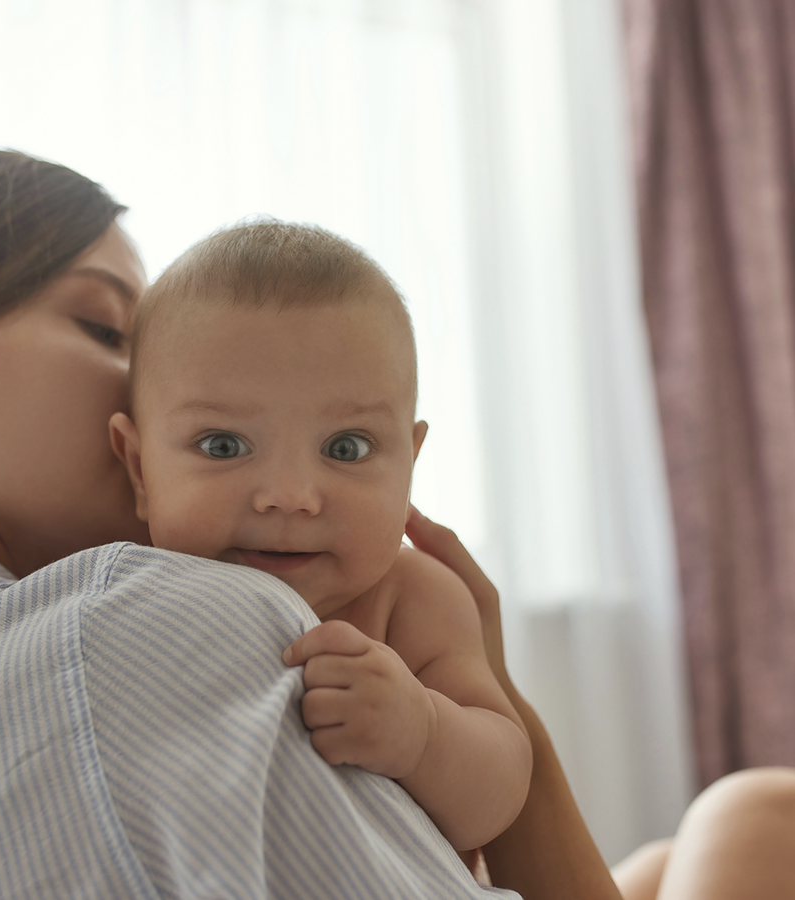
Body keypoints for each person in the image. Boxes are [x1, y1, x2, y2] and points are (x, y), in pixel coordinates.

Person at [0, 147, 795, 900]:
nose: (140, 393)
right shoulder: (133, 620)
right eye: (109, 333)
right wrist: (489, 707)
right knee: (768, 817)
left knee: (677, 859)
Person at [108, 220, 531, 854]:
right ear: (140, 468)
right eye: (223, 446)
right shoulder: (119, 592)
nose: (291, 495)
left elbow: (498, 794)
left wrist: (424, 733)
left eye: (347, 447)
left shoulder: (410, 597)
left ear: (410, 462)